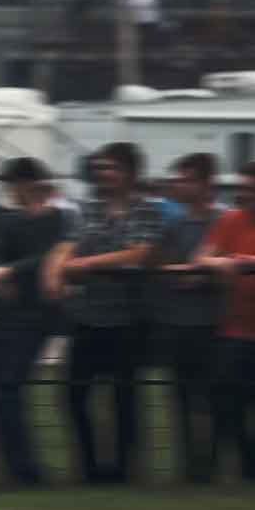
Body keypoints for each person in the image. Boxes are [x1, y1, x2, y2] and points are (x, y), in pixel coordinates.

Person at [43, 142, 163, 484]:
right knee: (73, 395)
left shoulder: (146, 211)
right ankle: (90, 467)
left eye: (112, 168)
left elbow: (138, 254)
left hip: (128, 319)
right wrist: (55, 273)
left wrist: (84, 264)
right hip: (87, 317)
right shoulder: (87, 210)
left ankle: (123, 470)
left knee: (124, 397)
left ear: (131, 173)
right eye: (101, 168)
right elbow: (64, 248)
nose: (104, 174)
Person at [0, 158, 74, 487]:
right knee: (5, 389)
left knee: (8, 387)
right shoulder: (3, 219)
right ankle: (20, 468)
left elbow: (50, 255)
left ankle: (23, 469)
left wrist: (9, 270)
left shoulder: (57, 218)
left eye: (15, 184)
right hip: (12, 314)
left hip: (39, 312)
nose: (13, 191)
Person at [153, 153, 224, 484]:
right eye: (179, 179)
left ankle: (211, 463)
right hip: (178, 322)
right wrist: (188, 276)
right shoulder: (174, 225)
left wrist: (195, 277)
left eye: (187, 180)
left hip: (214, 323)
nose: (179, 185)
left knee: (213, 398)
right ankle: (188, 465)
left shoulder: (223, 221)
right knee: (180, 397)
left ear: (206, 183)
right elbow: (162, 267)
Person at [194, 162, 255, 481]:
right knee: (228, 404)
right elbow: (201, 257)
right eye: (243, 188)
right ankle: (244, 467)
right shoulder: (229, 220)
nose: (245, 194)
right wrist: (220, 263)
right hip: (233, 330)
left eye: (252, 189)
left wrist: (247, 261)